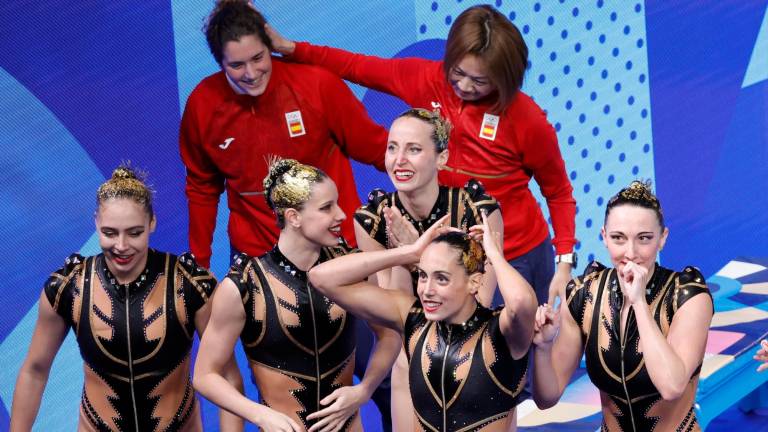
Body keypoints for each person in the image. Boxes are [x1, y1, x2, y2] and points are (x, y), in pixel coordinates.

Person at [267, 4, 577, 306]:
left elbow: (559, 192)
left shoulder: (528, 120)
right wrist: (290, 47)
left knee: (511, 352)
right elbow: (356, 66)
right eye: (458, 73)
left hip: (516, 254)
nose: (464, 86)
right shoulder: (425, 79)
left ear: (503, 77)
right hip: (449, 256)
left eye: (480, 81)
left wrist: (564, 263)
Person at [10, 166, 243, 431]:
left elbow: (228, 376)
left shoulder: (190, 284)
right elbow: (34, 371)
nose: (121, 246)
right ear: (96, 222)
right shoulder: (67, 286)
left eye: (134, 233)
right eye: (109, 233)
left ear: (152, 222)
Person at [193, 158, 401, 431]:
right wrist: (259, 414)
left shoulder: (352, 269)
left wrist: (364, 389)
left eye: (336, 204)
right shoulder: (244, 286)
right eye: (327, 208)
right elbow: (205, 375)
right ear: (293, 217)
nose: (341, 215)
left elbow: (390, 333)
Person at [180, 0, 388, 269]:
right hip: (257, 261)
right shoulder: (202, 105)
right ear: (220, 62)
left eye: (258, 58)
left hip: (337, 250)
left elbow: (379, 149)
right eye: (237, 65)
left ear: (270, 46)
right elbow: (202, 190)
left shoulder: (316, 85)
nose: (252, 74)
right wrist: (200, 266)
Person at [308, 212, 537, 431]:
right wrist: (410, 252)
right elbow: (321, 277)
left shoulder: (500, 332)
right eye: (423, 275)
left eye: (441, 279)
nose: (427, 290)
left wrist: (494, 255)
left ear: (474, 283)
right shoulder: (413, 319)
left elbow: (520, 301)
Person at [353, 107, 502, 430]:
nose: (399, 160)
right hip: (411, 354)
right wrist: (405, 255)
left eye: (414, 149)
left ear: (442, 158)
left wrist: (417, 253)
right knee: (406, 362)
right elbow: (397, 317)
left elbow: (480, 309)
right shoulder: (374, 219)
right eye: (393, 147)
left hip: (473, 353)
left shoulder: (477, 210)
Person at [531, 181, 713, 431]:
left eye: (644, 239)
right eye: (618, 238)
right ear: (604, 237)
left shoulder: (687, 296)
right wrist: (542, 347)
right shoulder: (584, 295)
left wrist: (638, 302)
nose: (631, 252)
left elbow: (672, 386)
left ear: (662, 239)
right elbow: (546, 398)